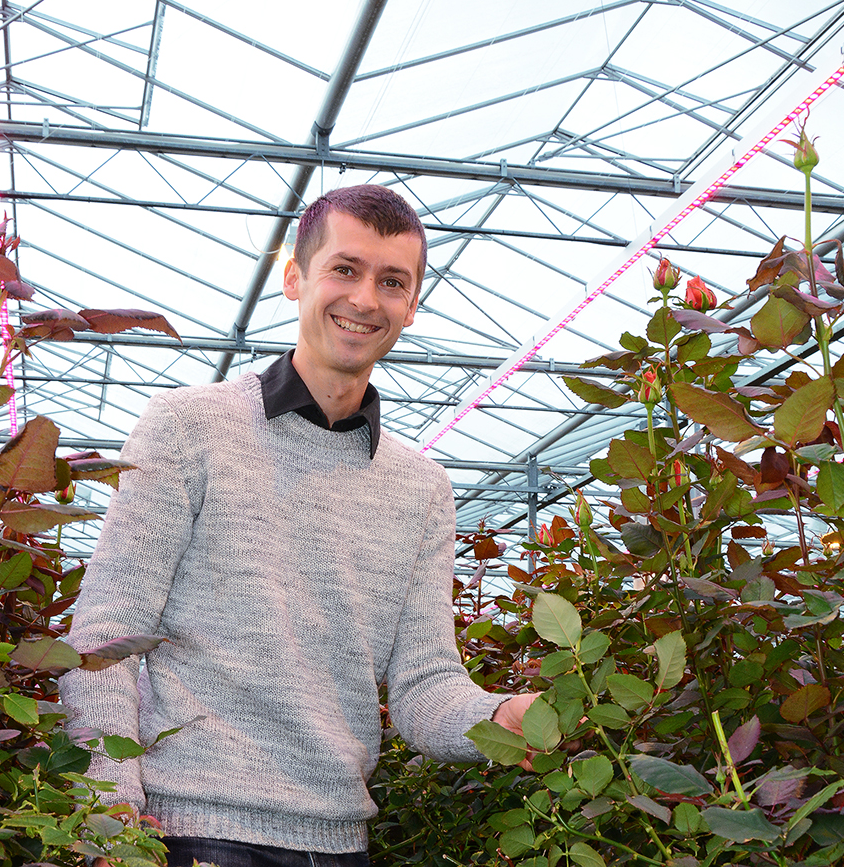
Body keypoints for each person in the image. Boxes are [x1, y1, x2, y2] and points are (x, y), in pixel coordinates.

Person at [59, 184, 536, 867]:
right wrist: (109, 820)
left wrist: (502, 717)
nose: (366, 299)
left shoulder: (423, 489)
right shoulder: (189, 429)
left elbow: (425, 686)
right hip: (190, 833)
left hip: (341, 845)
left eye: (392, 281)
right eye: (345, 269)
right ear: (294, 278)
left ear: (412, 303)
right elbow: (104, 638)